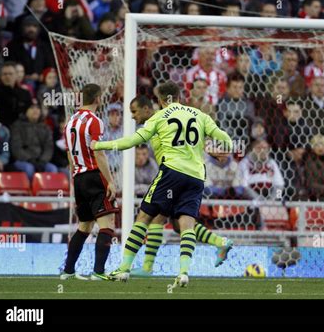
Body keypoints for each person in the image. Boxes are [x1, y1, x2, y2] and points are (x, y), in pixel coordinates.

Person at [92, 81, 233, 287]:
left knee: (145, 216)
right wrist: (218, 150)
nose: (132, 116)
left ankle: (126, 269)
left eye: (134, 111)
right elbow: (224, 139)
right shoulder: (198, 115)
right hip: (195, 176)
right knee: (182, 224)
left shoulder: (159, 119)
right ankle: (186, 270)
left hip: (171, 174)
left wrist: (98, 145)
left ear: (158, 101)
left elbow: (129, 142)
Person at [60, 83, 119, 281]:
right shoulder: (94, 121)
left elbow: (69, 154)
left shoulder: (69, 122)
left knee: (84, 226)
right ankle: (99, 272)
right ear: (97, 99)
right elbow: (99, 152)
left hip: (78, 177)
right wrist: (110, 181)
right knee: (107, 224)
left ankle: (67, 271)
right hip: (95, 175)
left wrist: (75, 176)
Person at [10, 101, 58, 180]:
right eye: (32, 108)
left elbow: (49, 147)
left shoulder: (45, 127)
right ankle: (30, 191)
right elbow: (16, 147)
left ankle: (47, 192)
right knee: (29, 169)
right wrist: (30, 159)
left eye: (38, 108)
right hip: (23, 160)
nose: (35, 110)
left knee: (53, 169)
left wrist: (42, 160)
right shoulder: (17, 126)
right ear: (26, 111)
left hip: (41, 161)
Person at [0, 61, 32, 128]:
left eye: (10, 74)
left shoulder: (25, 93)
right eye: (5, 74)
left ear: (16, 75)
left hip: (21, 128)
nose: (8, 76)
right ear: (1, 76)